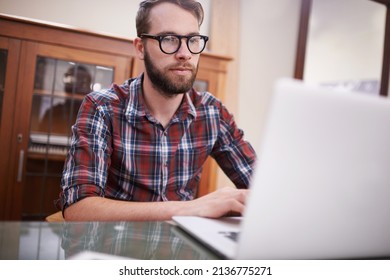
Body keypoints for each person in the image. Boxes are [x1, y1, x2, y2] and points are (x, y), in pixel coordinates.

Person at [58, 0, 256, 221]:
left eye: (193, 40)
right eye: (169, 39)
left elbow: (263, 189)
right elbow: (78, 209)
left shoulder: (213, 113)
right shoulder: (102, 108)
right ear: (141, 48)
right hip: (115, 249)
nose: (185, 53)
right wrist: (190, 208)